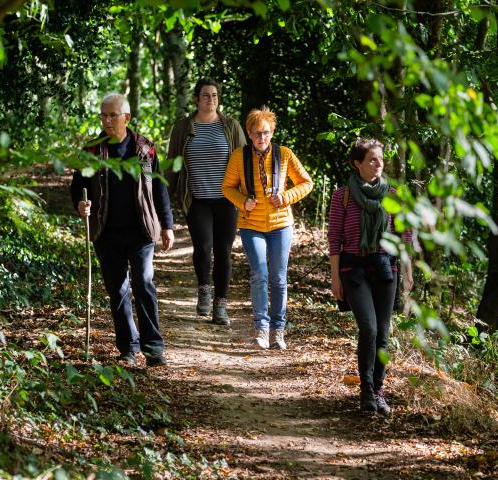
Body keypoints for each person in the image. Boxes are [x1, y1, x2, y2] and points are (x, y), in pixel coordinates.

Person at [70, 92, 174, 367]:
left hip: (141, 231)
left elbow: (159, 189)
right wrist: (81, 205)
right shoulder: (92, 150)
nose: (106, 120)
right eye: (103, 115)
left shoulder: (144, 148)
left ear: (126, 117)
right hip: (106, 231)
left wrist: (168, 225)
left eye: (112, 115)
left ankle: (153, 348)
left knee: (143, 284)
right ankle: (127, 347)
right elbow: (76, 186)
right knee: (117, 290)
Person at [328, 138, 413, 415]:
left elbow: (404, 235)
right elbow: (335, 239)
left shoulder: (394, 195)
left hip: (386, 268)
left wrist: (408, 272)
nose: (379, 165)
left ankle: (379, 390)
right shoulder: (343, 196)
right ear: (357, 163)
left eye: (381, 160)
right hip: (353, 269)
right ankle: (365, 390)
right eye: (372, 160)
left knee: (384, 334)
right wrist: (335, 278)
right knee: (370, 328)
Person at [222, 107, 313, 350]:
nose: (261, 138)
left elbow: (306, 183)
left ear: (272, 132)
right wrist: (243, 201)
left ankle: (278, 330)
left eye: (266, 133)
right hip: (251, 225)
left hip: (280, 225)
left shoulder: (284, 155)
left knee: (279, 278)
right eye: (256, 133)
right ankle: (261, 329)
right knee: (259, 274)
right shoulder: (238, 157)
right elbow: (227, 187)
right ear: (249, 134)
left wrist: (286, 197)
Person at [166, 78, 246, 325]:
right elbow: (173, 164)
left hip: (227, 200)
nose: (210, 99)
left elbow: (245, 163)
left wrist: (249, 197)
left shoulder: (231, 127)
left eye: (214, 95)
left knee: (224, 252)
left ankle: (220, 305)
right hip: (197, 199)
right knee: (203, 247)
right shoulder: (183, 128)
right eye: (205, 95)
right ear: (196, 99)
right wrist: (164, 200)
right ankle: (204, 289)